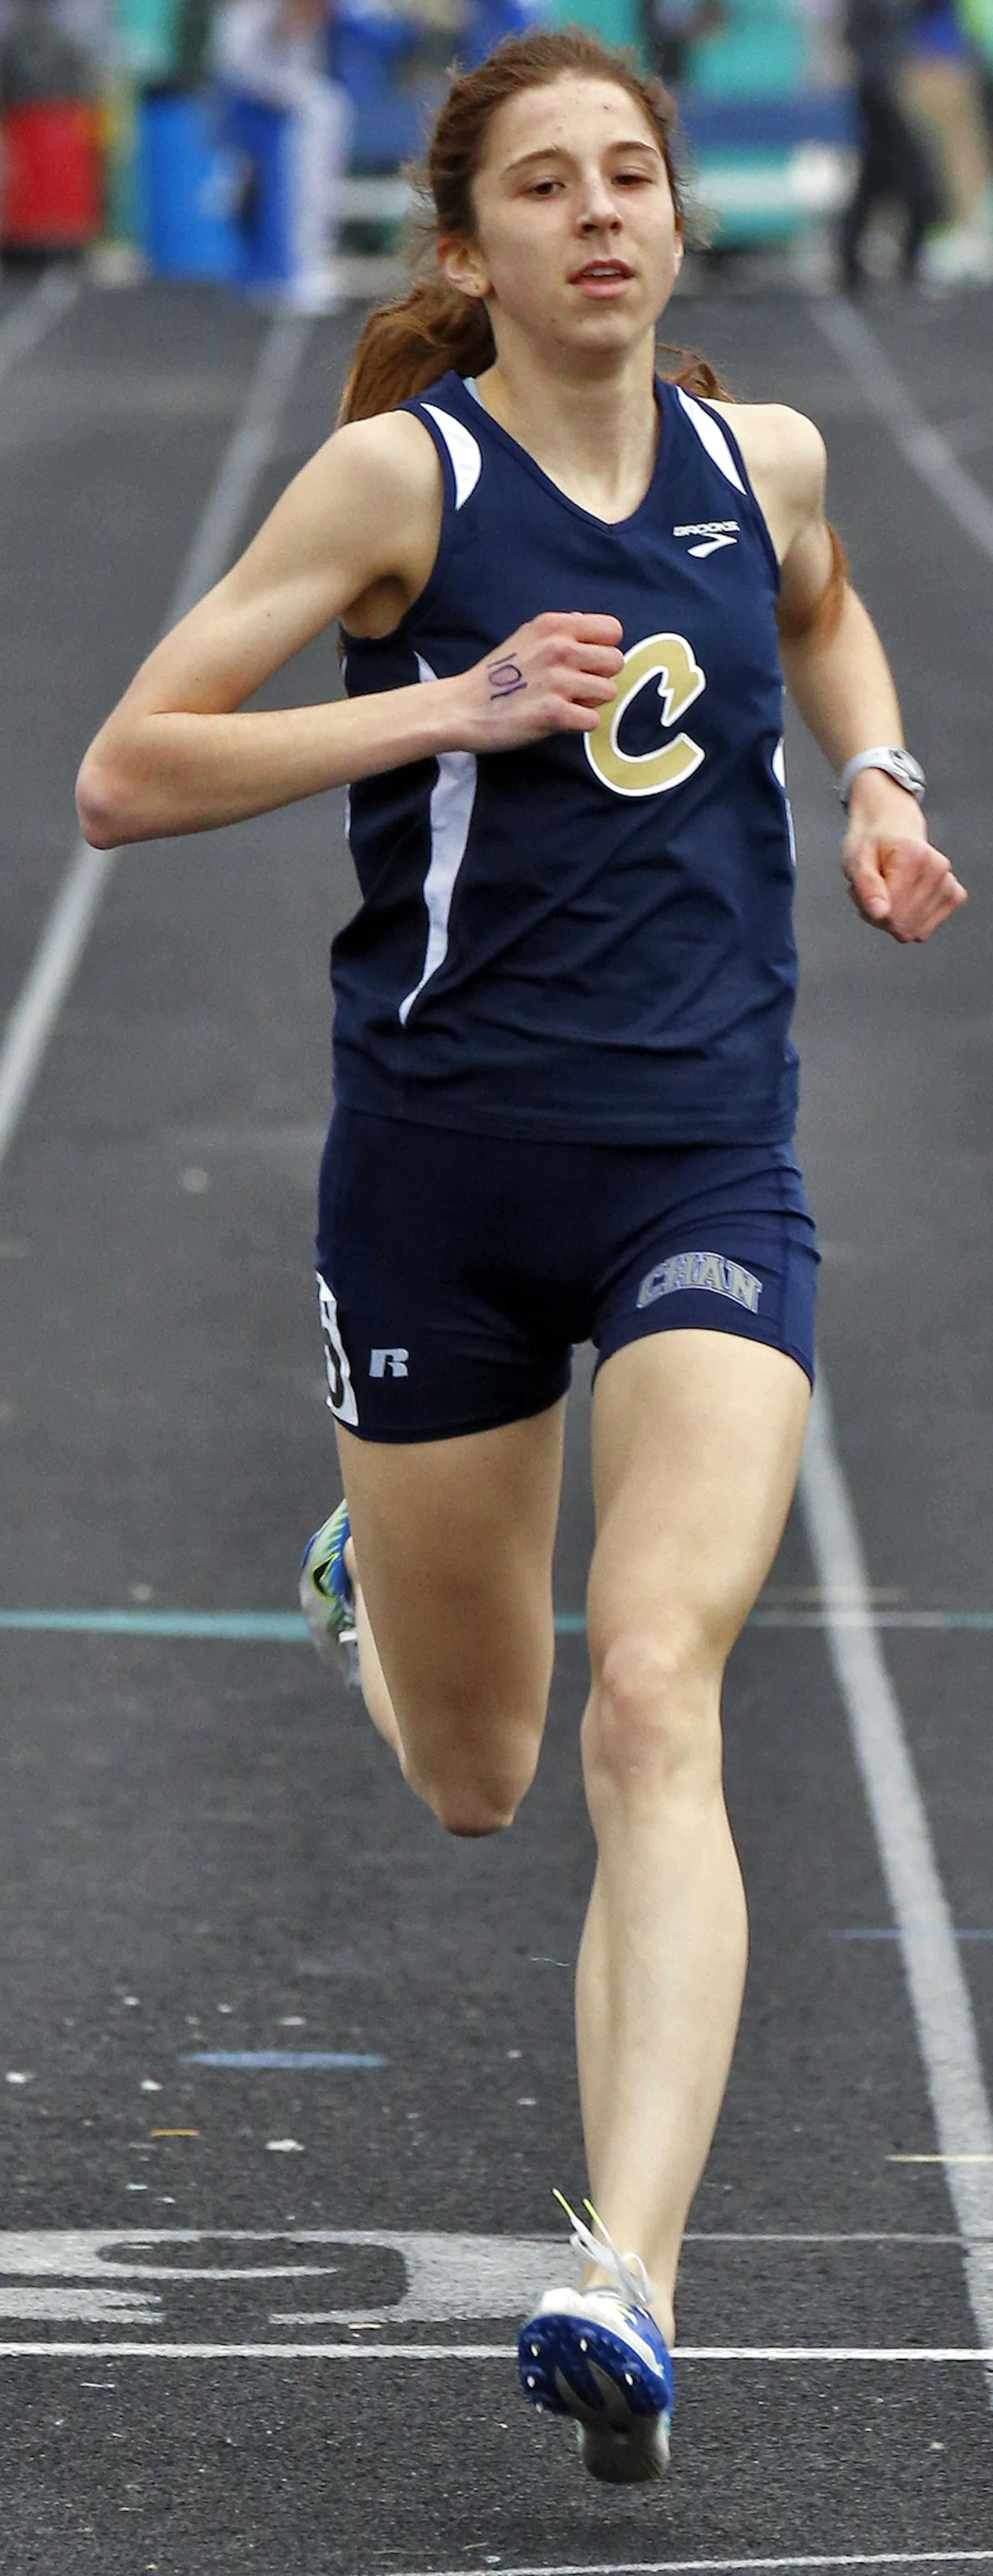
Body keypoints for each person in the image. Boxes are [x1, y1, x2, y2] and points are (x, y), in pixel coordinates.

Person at [75, 23, 966, 2485]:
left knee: (655, 1696)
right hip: (442, 1191)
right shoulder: (402, 477)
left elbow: (829, 605)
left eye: (634, 176)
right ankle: (372, 1574)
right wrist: (441, 708)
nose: (601, 215)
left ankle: (631, 2277)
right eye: (547, 187)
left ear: (677, 222)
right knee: (476, 1779)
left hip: (705, 1172)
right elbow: (129, 772)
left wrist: (877, 778)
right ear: (469, 250)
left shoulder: (752, 456)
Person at [208, 0, 352, 311]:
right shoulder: (247, 21)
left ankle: (297, 268)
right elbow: (244, 69)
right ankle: (275, 271)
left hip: (285, 111)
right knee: (255, 195)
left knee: (325, 114)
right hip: (257, 112)